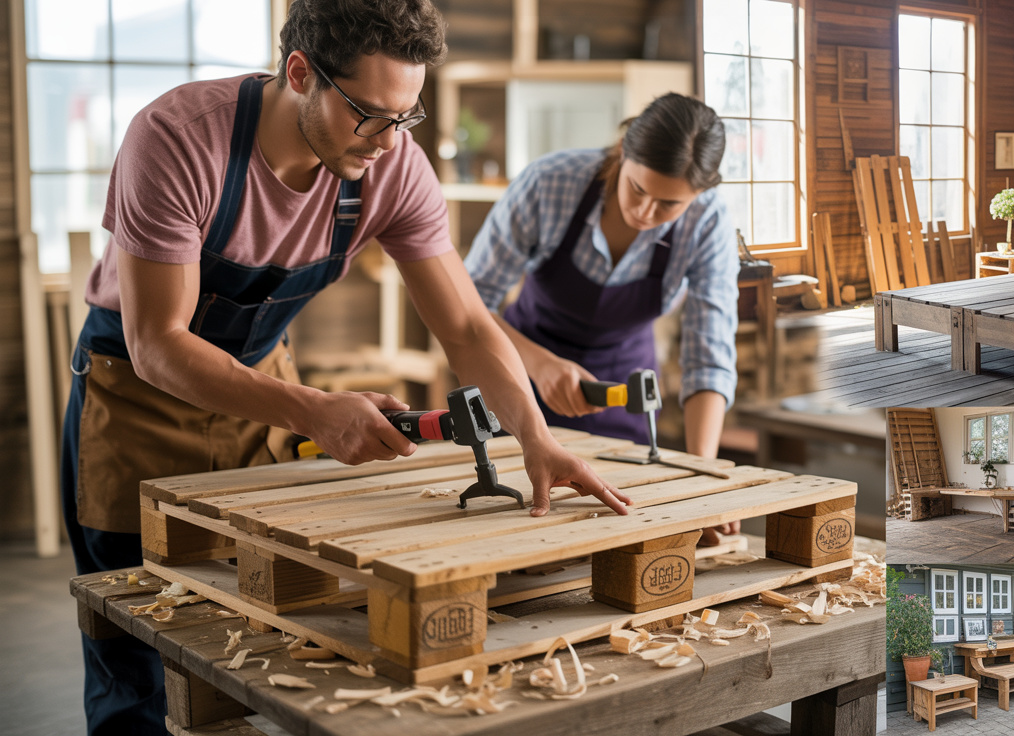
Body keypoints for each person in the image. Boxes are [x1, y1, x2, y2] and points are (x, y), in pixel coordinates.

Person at [62, 1, 629, 733]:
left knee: (259, 624)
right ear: (301, 74)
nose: (391, 143)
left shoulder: (390, 165)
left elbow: (463, 324)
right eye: (370, 115)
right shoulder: (177, 138)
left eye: (408, 116)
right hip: (134, 395)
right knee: (129, 638)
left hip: (259, 386)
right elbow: (159, 343)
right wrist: (312, 410)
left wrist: (536, 438)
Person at [464, 95, 740, 548]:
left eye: (668, 204)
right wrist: (539, 364)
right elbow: (470, 302)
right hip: (515, 376)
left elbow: (708, 356)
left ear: (699, 195)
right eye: (637, 189)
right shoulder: (550, 181)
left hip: (620, 395)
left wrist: (700, 479)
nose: (645, 213)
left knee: (615, 533)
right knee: (517, 533)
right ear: (621, 153)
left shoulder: (708, 222)